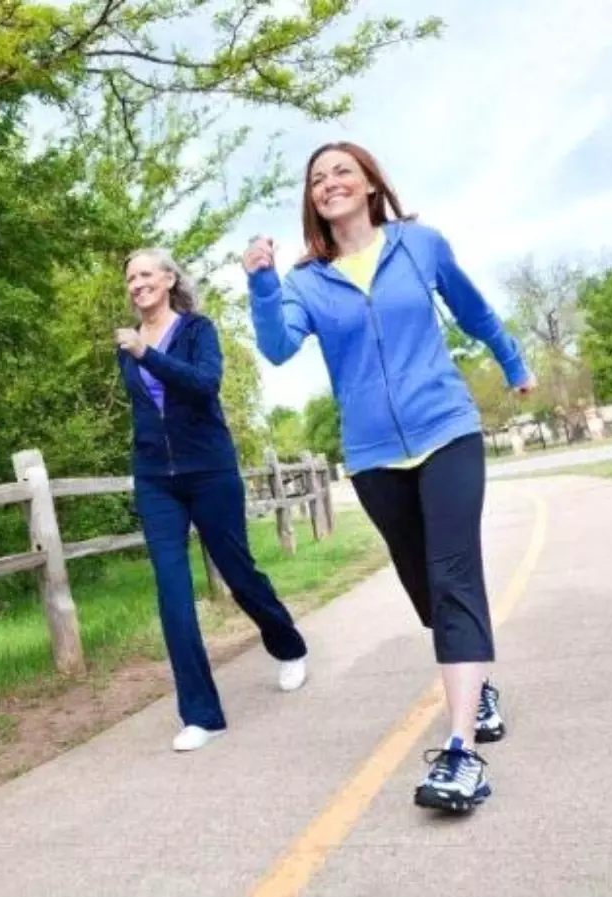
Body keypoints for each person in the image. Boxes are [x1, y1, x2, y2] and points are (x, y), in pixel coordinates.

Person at [244, 142, 535, 812]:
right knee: (420, 579)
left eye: (342, 170)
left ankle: (462, 750)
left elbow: (473, 309)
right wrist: (262, 282)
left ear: (372, 182)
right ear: (310, 201)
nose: (330, 183)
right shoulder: (306, 282)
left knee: (454, 571)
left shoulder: (420, 244)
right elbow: (279, 347)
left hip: (446, 428)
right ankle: (477, 682)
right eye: (317, 179)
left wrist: (513, 361)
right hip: (373, 452)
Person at [115, 248, 309, 752]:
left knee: (238, 573)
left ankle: (287, 645)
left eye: (145, 274)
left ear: (169, 278)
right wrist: (143, 458)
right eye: (130, 278)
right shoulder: (128, 344)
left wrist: (146, 354)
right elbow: (145, 411)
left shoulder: (198, 330)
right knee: (172, 592)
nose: (137, 283)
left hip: (210, 472)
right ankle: (201, 714)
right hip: (157, 480)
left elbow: (205, 386)